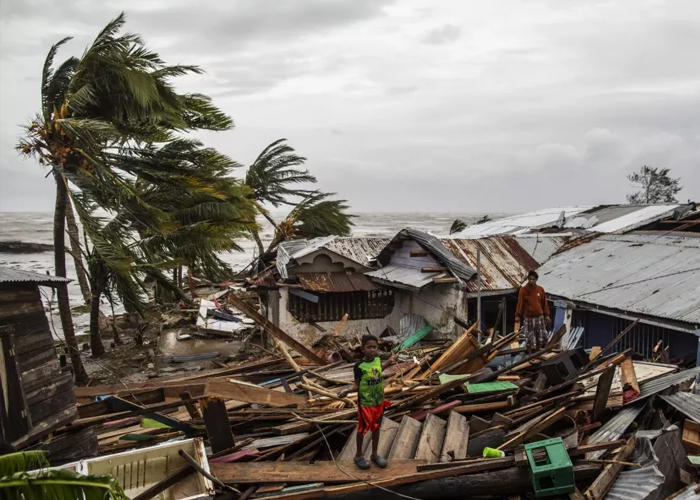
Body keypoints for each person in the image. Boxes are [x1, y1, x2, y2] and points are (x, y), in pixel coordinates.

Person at [340, 334, 396, 470]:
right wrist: (347, 391)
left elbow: (378, 370)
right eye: (369, 347)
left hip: (379, 402)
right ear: (363, 349)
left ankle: (374, 454)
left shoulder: (377, 360)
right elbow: (356, 385)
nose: (372, 350)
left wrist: (389, 361)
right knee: (362, 429)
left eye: (375, 347)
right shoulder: (359, 366)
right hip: (366, 404)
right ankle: (358, 455)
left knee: (376, 428)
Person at [515, 270, 551, 352]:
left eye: (533, 279)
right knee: (529, 337)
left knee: (541, 336)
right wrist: (517, 315)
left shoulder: (540, 289)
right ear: (528, 279)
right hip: (529, 317)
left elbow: (544, 303)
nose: (531, 281)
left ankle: (538, 352)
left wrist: (547, 315)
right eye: (530, 279)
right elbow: (520, 303)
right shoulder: (523, 290)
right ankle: (530, 354)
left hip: (539, 317)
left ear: (536, 280)